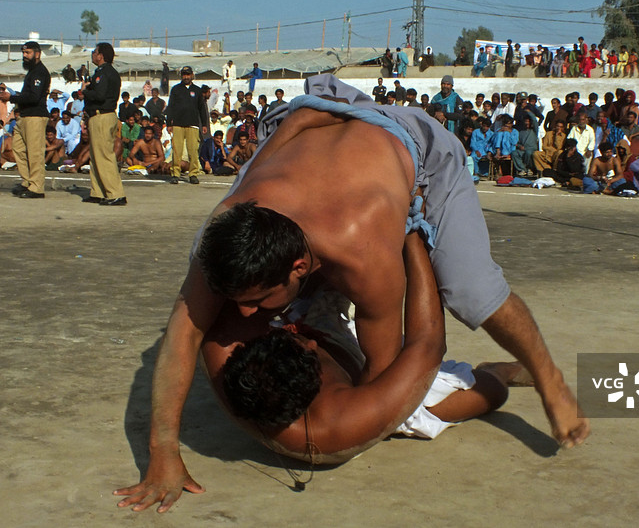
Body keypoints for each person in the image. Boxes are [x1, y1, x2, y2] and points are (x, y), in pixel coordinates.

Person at [114, 74, 589, 512]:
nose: (240, 312)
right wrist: (163, 453)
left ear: (300, 266)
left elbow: (401, 361)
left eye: (256, 300)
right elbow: (185, 331)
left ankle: (550, 380)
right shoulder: (226, 227)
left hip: (410, 147)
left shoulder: (366, 258)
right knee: (217, 288)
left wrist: (413, 232)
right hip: (312, 118)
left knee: (469, 289)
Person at [202, 229, 529, 463]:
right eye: (293, 335)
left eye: (282, 333)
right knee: (491, 392)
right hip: (378, 390)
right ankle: (502, 371)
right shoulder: (351, 416)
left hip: (330, 340)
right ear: (310, 348)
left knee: (327, 272)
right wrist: (414, 238)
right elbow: (426, 343)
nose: (287, 328)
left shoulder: (250, 367)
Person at [0, 41, 51, 199]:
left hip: (35, 116)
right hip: (24, 116)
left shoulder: (40, 72)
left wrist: (12, 97)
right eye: (23, 52)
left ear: (37, 54)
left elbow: (34, 97)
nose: (24, 55)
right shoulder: (31, 72)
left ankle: (36, 187)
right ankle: (28, 182)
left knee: (34, 152)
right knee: (19, 149)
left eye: (27, 53)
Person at [80, 42, 126, 205]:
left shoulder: (104, 73)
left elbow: (99, 95)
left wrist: (86, 91)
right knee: (96, 155)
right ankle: (98, 191)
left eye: (94, 52)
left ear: (101, 55)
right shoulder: (103, 72)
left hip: (102, 116)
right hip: (99, 116)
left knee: (104, 155)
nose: (92, 55)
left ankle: (115, 193)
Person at [165, 66, 208, 185]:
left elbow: (202, 109)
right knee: (177, 150)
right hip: (178, 124)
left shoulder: (197, 90)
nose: (186, 77)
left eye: (188, 74)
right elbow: (171, 107)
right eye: (184, 74)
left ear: (192, 75)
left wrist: (204, 124)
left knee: (193, 150)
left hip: (193, 124)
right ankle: (175, 174)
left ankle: (193, 174)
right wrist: (169, 123)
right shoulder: (176, 89)